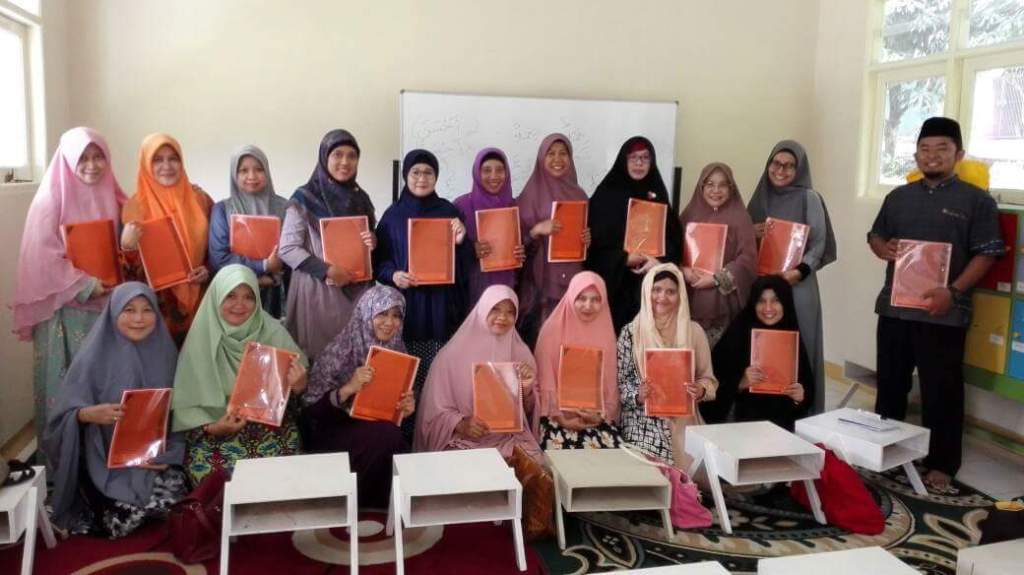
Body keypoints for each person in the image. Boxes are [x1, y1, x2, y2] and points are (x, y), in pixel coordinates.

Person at [868, 117, 1003, 490]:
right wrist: (883, 248)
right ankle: (885, 452)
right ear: (915, 156)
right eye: (925, 149)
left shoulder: (977, 201)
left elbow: (987, 254)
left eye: (942, 149)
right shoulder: (898, 197)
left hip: (944, 313)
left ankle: (942, 463)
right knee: (890, 386)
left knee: (941, 390)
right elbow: (876, 236)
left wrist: (953, 292)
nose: (932, 156)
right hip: (895, 310)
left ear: (958, 154)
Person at [13, 127, 127, 461]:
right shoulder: (50, 200)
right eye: (83, 158)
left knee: (102, 386)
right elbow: (41, 257)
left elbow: (128, 246)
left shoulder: (115, 196)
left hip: (106, 310)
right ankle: (62, 464)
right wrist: (87, 284)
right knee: (65, 387)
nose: (92, 165)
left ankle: (101, 461)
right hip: (63, 313)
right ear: (67, 161)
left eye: (98, 157)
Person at [45, 282, 187, 538]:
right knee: (122, 521)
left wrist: (171, 454)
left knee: (174, 500)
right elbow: (58, 423)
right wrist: (86, 414)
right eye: (129, 310)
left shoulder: (168, 354)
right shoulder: (91, 358)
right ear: (113, 313)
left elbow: (180, 416)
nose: (138, 319)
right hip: (103, 461)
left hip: (153, 458)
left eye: (147, 310)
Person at [413, 285, 553, 540]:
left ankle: (524, 528)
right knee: (466, 469)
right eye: (495, 310)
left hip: (509, 437)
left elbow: (529, 411)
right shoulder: (451, 356)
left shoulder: (520, 353)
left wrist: (527, 388)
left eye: (510, 312)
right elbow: (433, 412)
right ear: (481, 311)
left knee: (539, 469)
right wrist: (461, 423)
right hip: (465, 439)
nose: (503, 317)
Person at [171, 265, 308, 485]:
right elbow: (186, 408)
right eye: (231, 296)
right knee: (216, 481)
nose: (240, 305)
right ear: (217, 297)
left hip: (270, 430)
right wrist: (212, 427)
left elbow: (297, 401)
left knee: (283, 477)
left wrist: (299, 386)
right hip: (214, 432)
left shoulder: (273, 332)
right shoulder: (201, 337)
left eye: (249, 297)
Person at [374, 149, 470, 439]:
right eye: (416, 172)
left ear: (436, 177)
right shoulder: (392, 215)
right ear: (406, 176)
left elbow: (465, 265)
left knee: (437, 381)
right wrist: (393, 275)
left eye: (428, 172)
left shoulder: (449, 212)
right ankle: (406, 439)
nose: (422, 178)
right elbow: (378, 261)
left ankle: (436, 436)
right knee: (406, 381)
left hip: (441, 307)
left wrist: (461, 240)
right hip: (407, 308)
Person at [301, 285, 415, 508]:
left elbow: (396, 408)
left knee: (391, 436)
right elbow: (310, 412)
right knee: (387, 437)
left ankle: (377, 509)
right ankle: (358, 508)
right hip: (334, 429)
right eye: (382, 314)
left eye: (396, 316)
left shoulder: (399, 351)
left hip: (377, 427)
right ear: (365, 314)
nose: (389, 322)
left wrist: (407, 408)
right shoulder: (339, 352)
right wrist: (348, 388)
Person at [747, 140, 836, 414]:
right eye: (776, 163)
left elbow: (819, 242)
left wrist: (798, 273)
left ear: (799, 169)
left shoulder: (810, 198)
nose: (781, 170)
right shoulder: (760, 197)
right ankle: (768, 410)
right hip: (765, 288)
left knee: (802, 344)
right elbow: (742, 242)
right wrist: (751, 232)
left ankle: (804, 412)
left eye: (789, 166)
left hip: (798, 285)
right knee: (766, 345)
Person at [279, 130, 377, 358]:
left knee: (353, 357)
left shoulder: (361, 198)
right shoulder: (304, 198)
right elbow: (287, 248)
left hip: (357, 291)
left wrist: (372, 240)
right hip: (319, 292)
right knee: (320, 356)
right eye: (337, 154)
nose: (345, 162)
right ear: (325, 157)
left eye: (352, 156)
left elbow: (369, 237)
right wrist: (327, 270)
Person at [617, 263, 717, 469]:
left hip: (683, 417)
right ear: (647, 291)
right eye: (656, 290)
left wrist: (700, 390)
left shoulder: (694, 331)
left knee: (692, 468)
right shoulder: (631, 332)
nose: (662, 297)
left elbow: (709, 380)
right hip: (642, 418)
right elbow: (621, 384)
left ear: (681, 296)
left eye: (671, 292)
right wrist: (638, 394)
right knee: (652, 471)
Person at [121, 133, 214, 346]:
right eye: (157, 159)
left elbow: (217, 248)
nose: (167, 166)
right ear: (146, 164)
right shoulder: (134, 207)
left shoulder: (201, 200)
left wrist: (207, 269)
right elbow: (127, 275)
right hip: (156, 308)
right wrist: (127, 247)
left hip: (201, 301)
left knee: (197, 361)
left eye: (173, 158)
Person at [587, 136, 683, 332]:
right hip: (615, 290)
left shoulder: (657, 194)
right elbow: (593, 248)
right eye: (633, 157)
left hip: (651, 291)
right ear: (624, 160)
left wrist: (658, 261)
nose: (639, 163)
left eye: (645, 158)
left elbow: (674, 241)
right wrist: (623, 259)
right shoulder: (606, 195)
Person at [702, 276, 813, 430]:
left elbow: (807, 392)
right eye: (761, 301)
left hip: (781, 429)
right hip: (739, 426)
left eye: (776, 301)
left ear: (786, 303)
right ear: (753, 303)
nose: (768, 308)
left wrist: (799, 397)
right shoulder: (737, 335)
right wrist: (740, 383)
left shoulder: (792, 336)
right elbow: (711, 385)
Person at [516, 134, 592, 346]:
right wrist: (536, 231)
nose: (557, 159)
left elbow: (586, 243)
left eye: (563, 153)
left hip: (573, 280)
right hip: (540, 283)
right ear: (541, 158)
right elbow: (515, 245)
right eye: (551, 153)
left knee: (570, 340)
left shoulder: (580, 195)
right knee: (543, 339)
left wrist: (587, 239)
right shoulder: (529, 196)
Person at [534, 271, 622, 449]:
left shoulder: (606, 334)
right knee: (560, 454)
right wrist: (560, 416)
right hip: (555, 418)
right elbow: (543, 379)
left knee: (612, 457)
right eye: (581, 298)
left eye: (595, 300)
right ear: (571, 296)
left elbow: (610, 385)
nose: (588, 306)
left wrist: (600, 416)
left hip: (597, 419)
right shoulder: (551, 330)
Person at [679, 162, 758, 346]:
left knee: (720, 357)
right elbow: (674, 252)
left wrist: (716, 279)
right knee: (691, 356)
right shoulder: (688, 216)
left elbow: (748, 260)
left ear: (731, 188)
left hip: (723, 305)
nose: (716, 190)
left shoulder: (741, 218)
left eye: (723, 185)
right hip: (688, 299)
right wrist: (684, 270)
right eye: (710, 184)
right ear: (701, 186)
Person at [207, 145, 289, 318]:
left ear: (267, 171)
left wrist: (274, 277)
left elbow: (293, 251)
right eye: (243, 170)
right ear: (234, 174)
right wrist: (263, 267)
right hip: (234, 293)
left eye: (259, 169)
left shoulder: (285, 207)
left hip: (277, 294)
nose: (252, 176)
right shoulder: (222, 209)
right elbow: (219, 259)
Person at [453, 147, 526, 305]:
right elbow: (447, 252)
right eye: (486, 170)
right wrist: (470, 250)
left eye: (500, 170)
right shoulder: (461, 206)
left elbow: (525, 249)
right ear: (477, 173)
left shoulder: (514, 206)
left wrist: (521, 252)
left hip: (506, 289)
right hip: (471, 290)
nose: (494, 176)